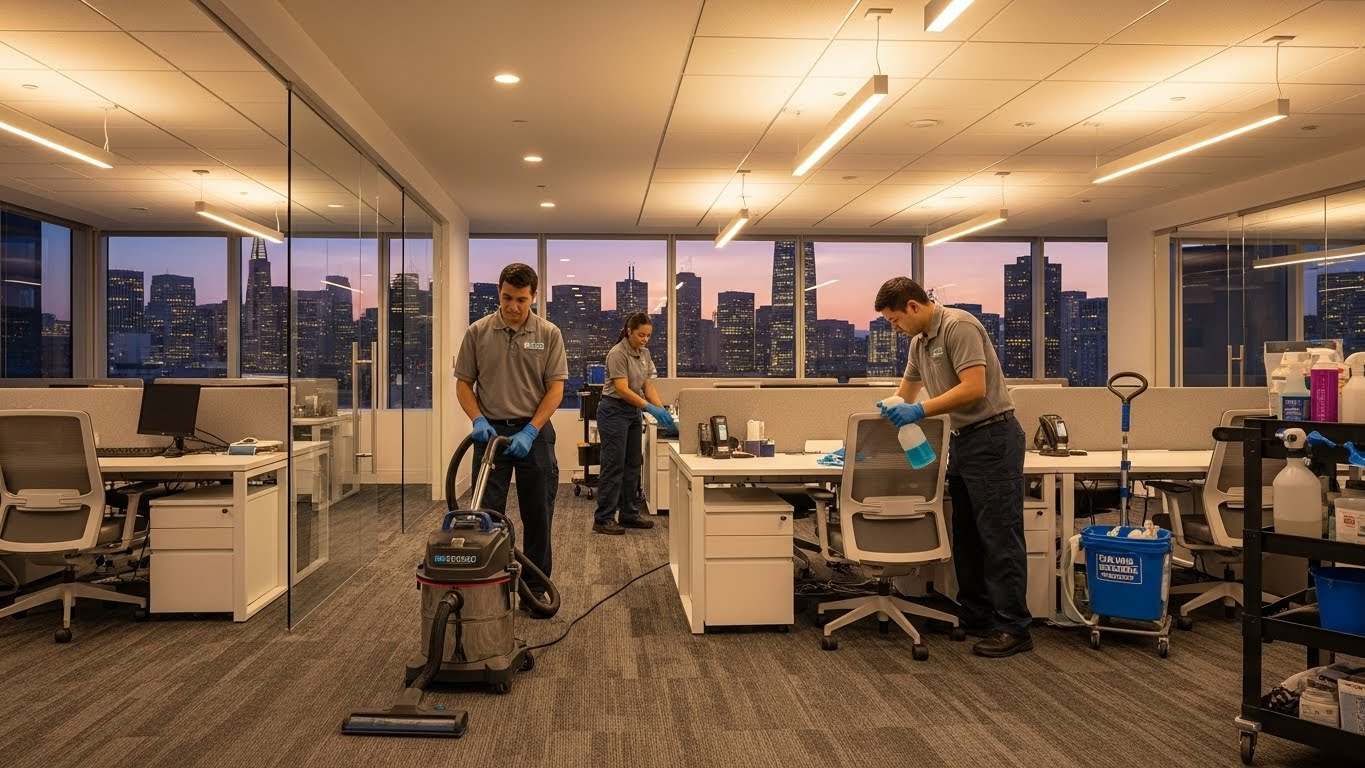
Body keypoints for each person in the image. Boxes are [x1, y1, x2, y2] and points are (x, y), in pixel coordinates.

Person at [873, 276, 1032, 658]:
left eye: (894, 320)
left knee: (998, 535)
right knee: (967, 534)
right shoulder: (919, 343)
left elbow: (973, 388)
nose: (893, 329)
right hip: (961, 441)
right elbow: (906, 392)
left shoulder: (959, 326)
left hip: (993, 438)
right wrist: (888, 408)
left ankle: (1014, 627)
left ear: (913, 306)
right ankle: (977, 614)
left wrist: (919, 410)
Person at [454, 263, 567, 601]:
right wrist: (477, 419)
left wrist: (531, 430)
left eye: (521, 299)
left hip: (535, 432)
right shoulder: (478, 332)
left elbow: (556, 389)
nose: (513, 307)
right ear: (498, 293)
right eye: (506, 298)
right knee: (486, 517)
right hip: (490, 436)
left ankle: (534, 589)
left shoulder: (548, 334)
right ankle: (491, 590)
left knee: (538, 514)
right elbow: (463, 384)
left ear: (533, 297)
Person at [592, 312, 675, 534]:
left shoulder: (645, 354)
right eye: (641, 335)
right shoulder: (617, 353)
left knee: (633, 463)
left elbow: (647, 386)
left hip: (632, 412)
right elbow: (622, 389)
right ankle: (603, 518)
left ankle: (628, 513)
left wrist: (661, 411)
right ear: (629, 331)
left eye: (648, 336)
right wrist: (648, 407)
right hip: (613, 410)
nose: (645, 340)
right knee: (614, 465)